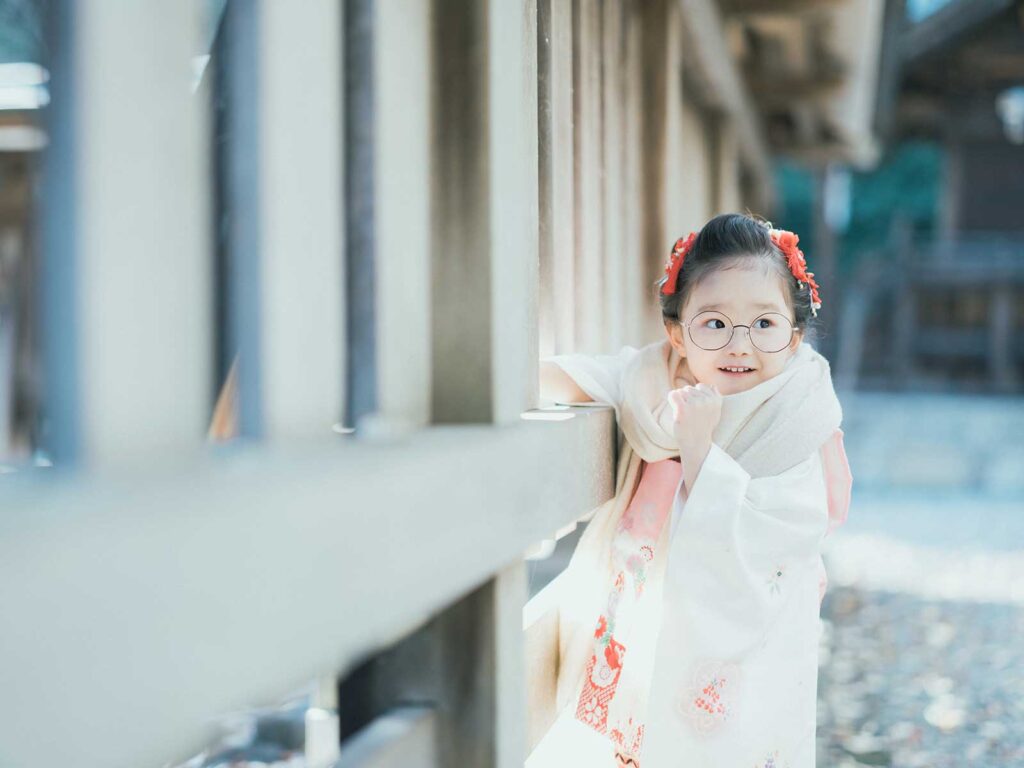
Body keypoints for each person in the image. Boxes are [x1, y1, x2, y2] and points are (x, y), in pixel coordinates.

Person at [526, 213, 852, 767]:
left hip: (738, 665)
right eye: (715, 323)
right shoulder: (654, 380)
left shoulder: (799, 419)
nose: (739, 345)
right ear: (677, 332)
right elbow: (574, 376)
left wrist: (699, 450)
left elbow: (771, 548)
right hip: (640, 619)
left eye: (765, 325)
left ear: (794, 335)